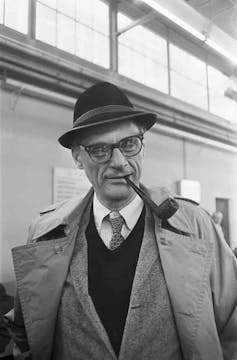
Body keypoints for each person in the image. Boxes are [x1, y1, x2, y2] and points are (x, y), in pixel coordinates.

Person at [4, 82, 237, 360]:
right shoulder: (45, 235)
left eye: (128, 144)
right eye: (100, 150)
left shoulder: (195, 227)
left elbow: (232, 326)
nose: (118, 162)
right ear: (78, 158)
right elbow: (26, 331)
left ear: (143, 146)